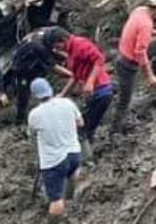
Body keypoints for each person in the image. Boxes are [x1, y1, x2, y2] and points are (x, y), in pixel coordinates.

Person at [46, 28, 114, 163]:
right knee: (86, 126)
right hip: (93, 94)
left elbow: (99, 59)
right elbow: (75, 76)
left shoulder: (80, 44)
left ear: (63, 40)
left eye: (56, 46)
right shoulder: (70, 52)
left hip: (101, 91)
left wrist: (90, 81)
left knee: (81, 128)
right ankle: (89, 153)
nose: (56, 50)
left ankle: (88, 161)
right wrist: (63, 94)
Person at [113, 0, 156, 134]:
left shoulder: (140, 11)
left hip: (126, 53)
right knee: (124, 100)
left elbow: (140, 30)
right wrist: (149, 76)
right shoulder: (146, 23)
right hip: (127, 63)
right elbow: (139, 52)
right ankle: (115, 132)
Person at [27, 78, 84, 218]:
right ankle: (70, 202)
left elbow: (32, 134)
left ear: (35, 96)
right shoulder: (67, 103)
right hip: (74, 154)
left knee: (55, 199)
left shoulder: (35, 114)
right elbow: (80, 123)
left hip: (53, 161)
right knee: (72, 175)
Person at [5, 27, 58, 125]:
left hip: (31, 61)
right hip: (22, 69)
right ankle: (20, 120)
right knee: (23, 94)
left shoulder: (41, 32)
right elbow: (54, 66)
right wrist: (71, 74)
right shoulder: (39, 47)